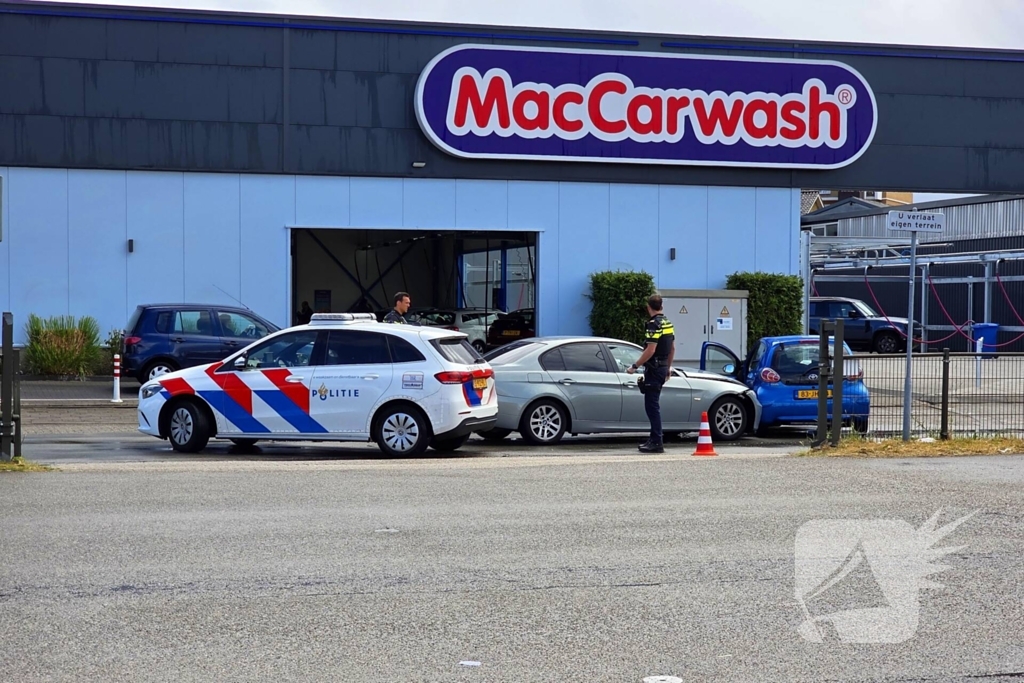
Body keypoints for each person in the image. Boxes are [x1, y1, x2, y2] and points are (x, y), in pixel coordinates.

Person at [626, 293, 676, 453]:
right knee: (653, 405)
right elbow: (672, 348)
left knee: (652, 406)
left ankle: (656, 441)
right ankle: (654, 438)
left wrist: (634, 366)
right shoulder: (668, 322)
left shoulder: (653, 324)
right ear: (661, 306)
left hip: (654, 369)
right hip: (661, 368)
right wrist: (668, 367)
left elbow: (651, 349)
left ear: (649, 307)